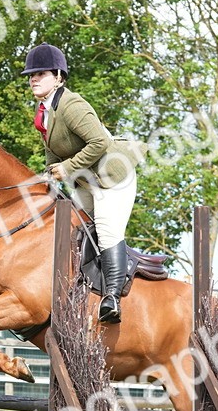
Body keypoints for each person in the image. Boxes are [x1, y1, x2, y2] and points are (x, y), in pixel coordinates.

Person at [22, 42, 139, 323]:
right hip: (86, 181)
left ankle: (112, 299)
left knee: (107, 230)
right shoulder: (44, 113)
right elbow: (54, 153)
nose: (33, 79)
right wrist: (46, 177)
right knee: (82, 229)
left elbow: (100, 142)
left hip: (113, 178)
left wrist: (68, 167)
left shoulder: (72, 105)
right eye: (31, 75)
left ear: (59, 76)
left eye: (41, 73)